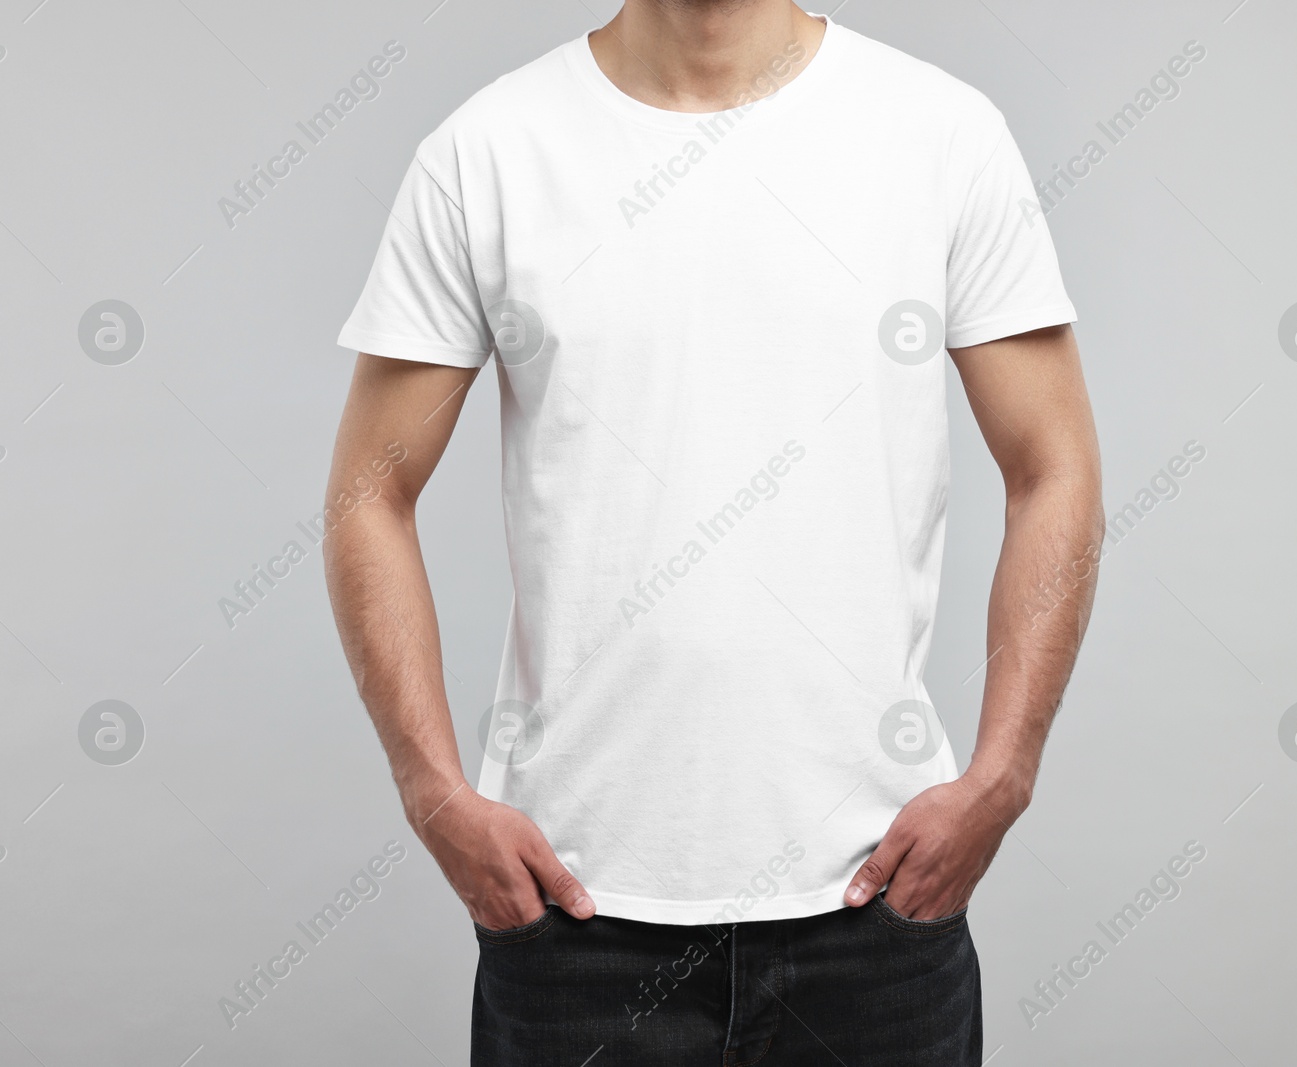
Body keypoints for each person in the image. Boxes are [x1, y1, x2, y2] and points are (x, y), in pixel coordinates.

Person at [324, 1, 1102, 1062]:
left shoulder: (940, 134)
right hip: (575, 922)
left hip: (877, 913)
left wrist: (1003, 774)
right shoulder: (489, 153)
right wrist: (432, 793)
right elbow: (370, 490)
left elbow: (1053, 466)